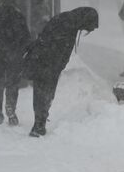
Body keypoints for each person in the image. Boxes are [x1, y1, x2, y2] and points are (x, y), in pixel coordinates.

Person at [22, 7, 98, 137]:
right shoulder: (68, 23)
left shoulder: (68, 21)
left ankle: (39, 123)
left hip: (47, 62)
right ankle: (38, 125)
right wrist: (56, 64)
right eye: (86, 27)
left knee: (43, 93)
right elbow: (55, 45)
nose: (84, 30)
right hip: (46, 63)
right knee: (44, 93)